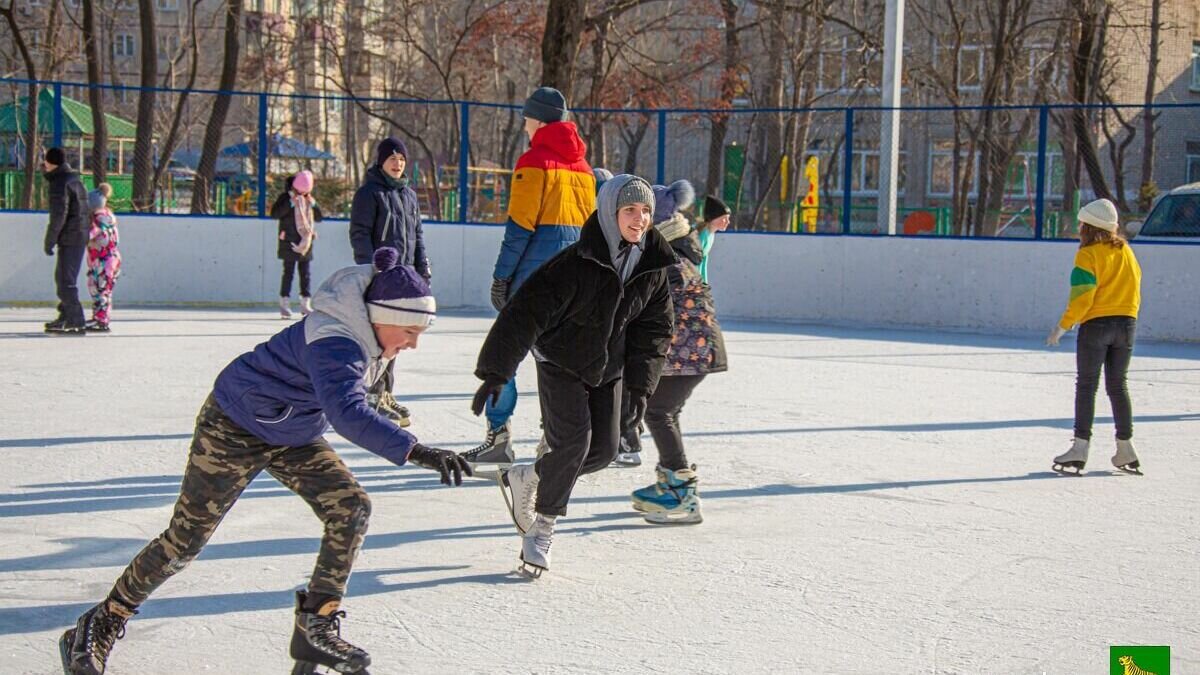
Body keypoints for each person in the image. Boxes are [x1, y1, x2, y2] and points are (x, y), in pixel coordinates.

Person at [58, 248, 471, 675]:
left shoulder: (364, 335)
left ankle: (316, 624)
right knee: (186, 540)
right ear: (380, 315)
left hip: (293, 432)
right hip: (234, 426)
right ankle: (101, 620)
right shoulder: (337, 339)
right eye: (409, 330)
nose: (414, 343)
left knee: (350, 508)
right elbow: (347, 411)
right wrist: (415, 449)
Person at [471, 174, 674, 577]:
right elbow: (524, 313)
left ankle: (528, 476)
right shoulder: (574, 263)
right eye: (630, 210)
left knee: (603, 451)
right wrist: (496, 370)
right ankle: (541, 529)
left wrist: (640, 385)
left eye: (646, 211)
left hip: (609, 367)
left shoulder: (652, 266)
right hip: (560, 360)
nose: (639, 219)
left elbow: (655, 331)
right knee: (572, 443)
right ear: (608, 212)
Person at [463, 86, 596, 476]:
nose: (523, 125)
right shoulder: (585, 171)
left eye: (526, 118)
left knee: (507, 357)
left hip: (533, 282)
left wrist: (502, 277)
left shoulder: (534, 161)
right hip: (574, 282)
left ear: (537, 119)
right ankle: (551, 440)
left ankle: (499, 438)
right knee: (558, 364)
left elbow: (520, 228)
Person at [625, 184, 728, 524]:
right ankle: (673, 484)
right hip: (694, 351)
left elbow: (652, 308)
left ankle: (681, 493)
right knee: (663, 411)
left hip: (689, 351)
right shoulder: (679, 249)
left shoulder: (667, 259)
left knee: (657, 412)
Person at [1047, 198, 1144, 475]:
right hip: (1126, 324)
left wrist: (1062, 326)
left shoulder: (1087, 254)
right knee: (1118, 385)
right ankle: (1126, 447)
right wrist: (1128, 316)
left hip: (1096, 326)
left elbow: (1083, 297)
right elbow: (1136, 284)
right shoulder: (1126, 251)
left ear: (1088, 227)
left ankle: (1080, 448)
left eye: (1081, 223)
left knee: (1087, 386)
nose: (1079, 227)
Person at [613, 179, 695, 467]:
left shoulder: (659, 255)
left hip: (676, 341)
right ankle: (671, 472)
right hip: (691, 343)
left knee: (653, 405)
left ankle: (633, 445)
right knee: (659, 407)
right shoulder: (685, 245)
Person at [349, 137, 430, 427]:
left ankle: (385, 392)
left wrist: (422, 271)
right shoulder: (369, 194)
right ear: (381, 161)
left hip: (404, 277)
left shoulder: (408, 195)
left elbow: (417, 237)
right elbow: (359, 233)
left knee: (397, 337)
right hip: (381, 276)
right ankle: (372, 394)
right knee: (380, 337)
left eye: (402, 159)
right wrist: (372, 268)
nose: (397, 164)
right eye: (392, 158)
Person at [42, 147, 90, 335]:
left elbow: (59, 215)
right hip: (78, 235)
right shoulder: (74, 178)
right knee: (63, 278)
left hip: (71, 236)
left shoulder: (60, 183)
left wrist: (50, 239)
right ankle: (66, 316)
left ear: (50, 162)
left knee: (65, 281)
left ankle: (76, 320)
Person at [273, 170, 323, 318]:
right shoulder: (285, 198)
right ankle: (284, 302)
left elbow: (319, 217)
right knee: (288, 272)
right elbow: (275, 214)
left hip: (305, 242)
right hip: (289, 241)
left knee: (305, 273)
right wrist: (290, 204)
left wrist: (313, 204)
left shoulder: (309, 200)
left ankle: (305, 303)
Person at [84, 183, 122, 333]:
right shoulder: (104, 215)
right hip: (102, 259)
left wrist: (78, 236)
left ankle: (102, 320)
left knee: (102, 289)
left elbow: (92, 234)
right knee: (95, 287)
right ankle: (98, 316)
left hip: (106, 260)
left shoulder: (101, 218)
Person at [696, 195, 732, 284]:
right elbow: (694, 261)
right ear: (714, 219)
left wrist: (704, 284)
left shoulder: (710, 234)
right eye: (724, 218)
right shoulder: (702, 234)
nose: (728, 222)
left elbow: (704, 260)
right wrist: (697, 285)